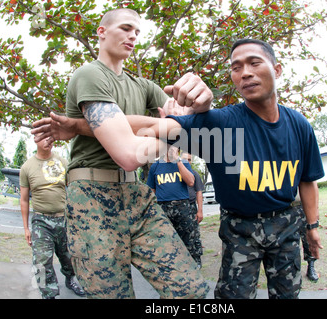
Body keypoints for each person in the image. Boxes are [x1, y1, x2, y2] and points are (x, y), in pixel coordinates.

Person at [32, 8, 211, 299]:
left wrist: (198, 104)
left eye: (137, 32)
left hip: (135, 194)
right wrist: (169, 127)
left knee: (192, 291)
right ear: (101, 32)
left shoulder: (143, 86)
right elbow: (127, 153)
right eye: (126, 28)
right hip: (91, 197)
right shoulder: (89, 75)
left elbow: (188, 119)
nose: (133, 36)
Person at [125, 38, 325, 299]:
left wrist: (312, 226)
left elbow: (307, 181)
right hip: (240, 230)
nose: (246, 73)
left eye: (255, 63)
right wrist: (82, 124)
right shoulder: (220, 124)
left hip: (286, 225)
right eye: (236, 67)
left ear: (276, 70)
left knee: (288, 295)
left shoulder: (299, 125)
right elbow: (145, 127)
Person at [20, 136, 85, 299]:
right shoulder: (27, 168)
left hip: (63, 220)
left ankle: (70, 279)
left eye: (51, 137)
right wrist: (26, 228)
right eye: (43, 137)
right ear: (35, 138)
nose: (48, 140)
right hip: (41, 222)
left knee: (68, 258)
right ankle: (48, 294)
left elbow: (73, 190)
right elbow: (23, 200)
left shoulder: (63, 163)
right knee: (41, 261)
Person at [146, 146, 202, 266]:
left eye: (175, 147)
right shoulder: (155, 166)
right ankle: (171, 268)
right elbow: (151, 190)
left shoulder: (184, 163)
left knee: (188, 241)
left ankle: (191, 268)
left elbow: (191, 182)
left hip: (183, 207)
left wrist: (177, 160)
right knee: (166, 241)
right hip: (163, 207)